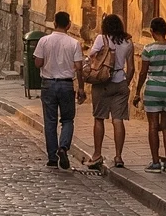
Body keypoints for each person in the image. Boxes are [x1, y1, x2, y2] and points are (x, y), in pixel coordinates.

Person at [85, 14, 135, 170]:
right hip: (120, 81)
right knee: (118, 120)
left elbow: (91, 56)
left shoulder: (102, 38)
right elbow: (131, 67)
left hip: (102, 83)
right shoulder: (128, 41)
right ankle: (119, 156)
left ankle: (97, 154)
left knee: (99, 118)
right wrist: (125, 82)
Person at [33, 11, 83, 169]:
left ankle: (52, 156)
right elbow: (79, 68)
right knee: (68, 119)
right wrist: (81, 87)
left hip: (48, 84)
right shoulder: (74, 43)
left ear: (54, 24)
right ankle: (63, 147)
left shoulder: (44, 41)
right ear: (68, 25)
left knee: (50, 121)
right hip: (66, 84)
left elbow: (38, 63)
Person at [134, 17, 166, 172]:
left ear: (152, 31)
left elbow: (143, 72)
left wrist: (137, 91)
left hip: (153, 89)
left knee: (153, 126)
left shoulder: (148, 49)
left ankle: (155, 162)